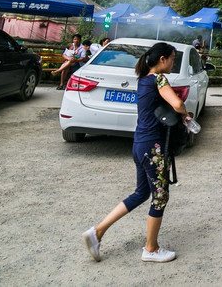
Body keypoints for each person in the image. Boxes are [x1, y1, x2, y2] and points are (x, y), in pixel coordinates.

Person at [82, 42, 194, 263]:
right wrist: (186, 116)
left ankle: (98, 232)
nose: (173, 62)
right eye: (172, 58)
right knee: (160, 197)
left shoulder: (144, 80)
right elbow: (178, 103)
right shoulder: (159, 79)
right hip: (153, 148)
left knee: (142, 193)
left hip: (140, 144)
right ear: (162, 59)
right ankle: (151, 249)